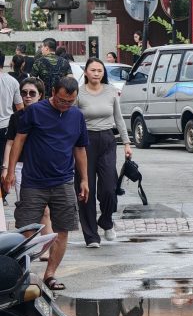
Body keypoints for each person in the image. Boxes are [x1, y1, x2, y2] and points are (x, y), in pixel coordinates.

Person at [4, 77, 90, 292]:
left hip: (63, 182)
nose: (65, 105)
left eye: (69, 101)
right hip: (34, 181)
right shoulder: (35, 111)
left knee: (62, 230)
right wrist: (11, 170)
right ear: (53, 92)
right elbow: (19, 140)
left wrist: (85, 179)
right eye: (61, 100)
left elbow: (79, 149)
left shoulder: (77, 116)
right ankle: (21, 275)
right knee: (26, 231)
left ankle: (50, 274)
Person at [75, 59, 132, 247]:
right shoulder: (79, 93)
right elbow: (72, 120)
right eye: (93, 70)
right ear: (86, 72)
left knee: (109, 187)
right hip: (84, 143)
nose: (97, 73)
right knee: (86, 189)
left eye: (100, 70)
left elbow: (118, 117)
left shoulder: (110, 91)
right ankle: (91, 236)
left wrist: (126, 142)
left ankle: (106, 220)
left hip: (108, 140)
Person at [0, 61, 23, 172]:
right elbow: (20, 107)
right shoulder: (12, 81)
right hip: (7, 126)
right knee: (4, 164)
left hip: (7, 127)